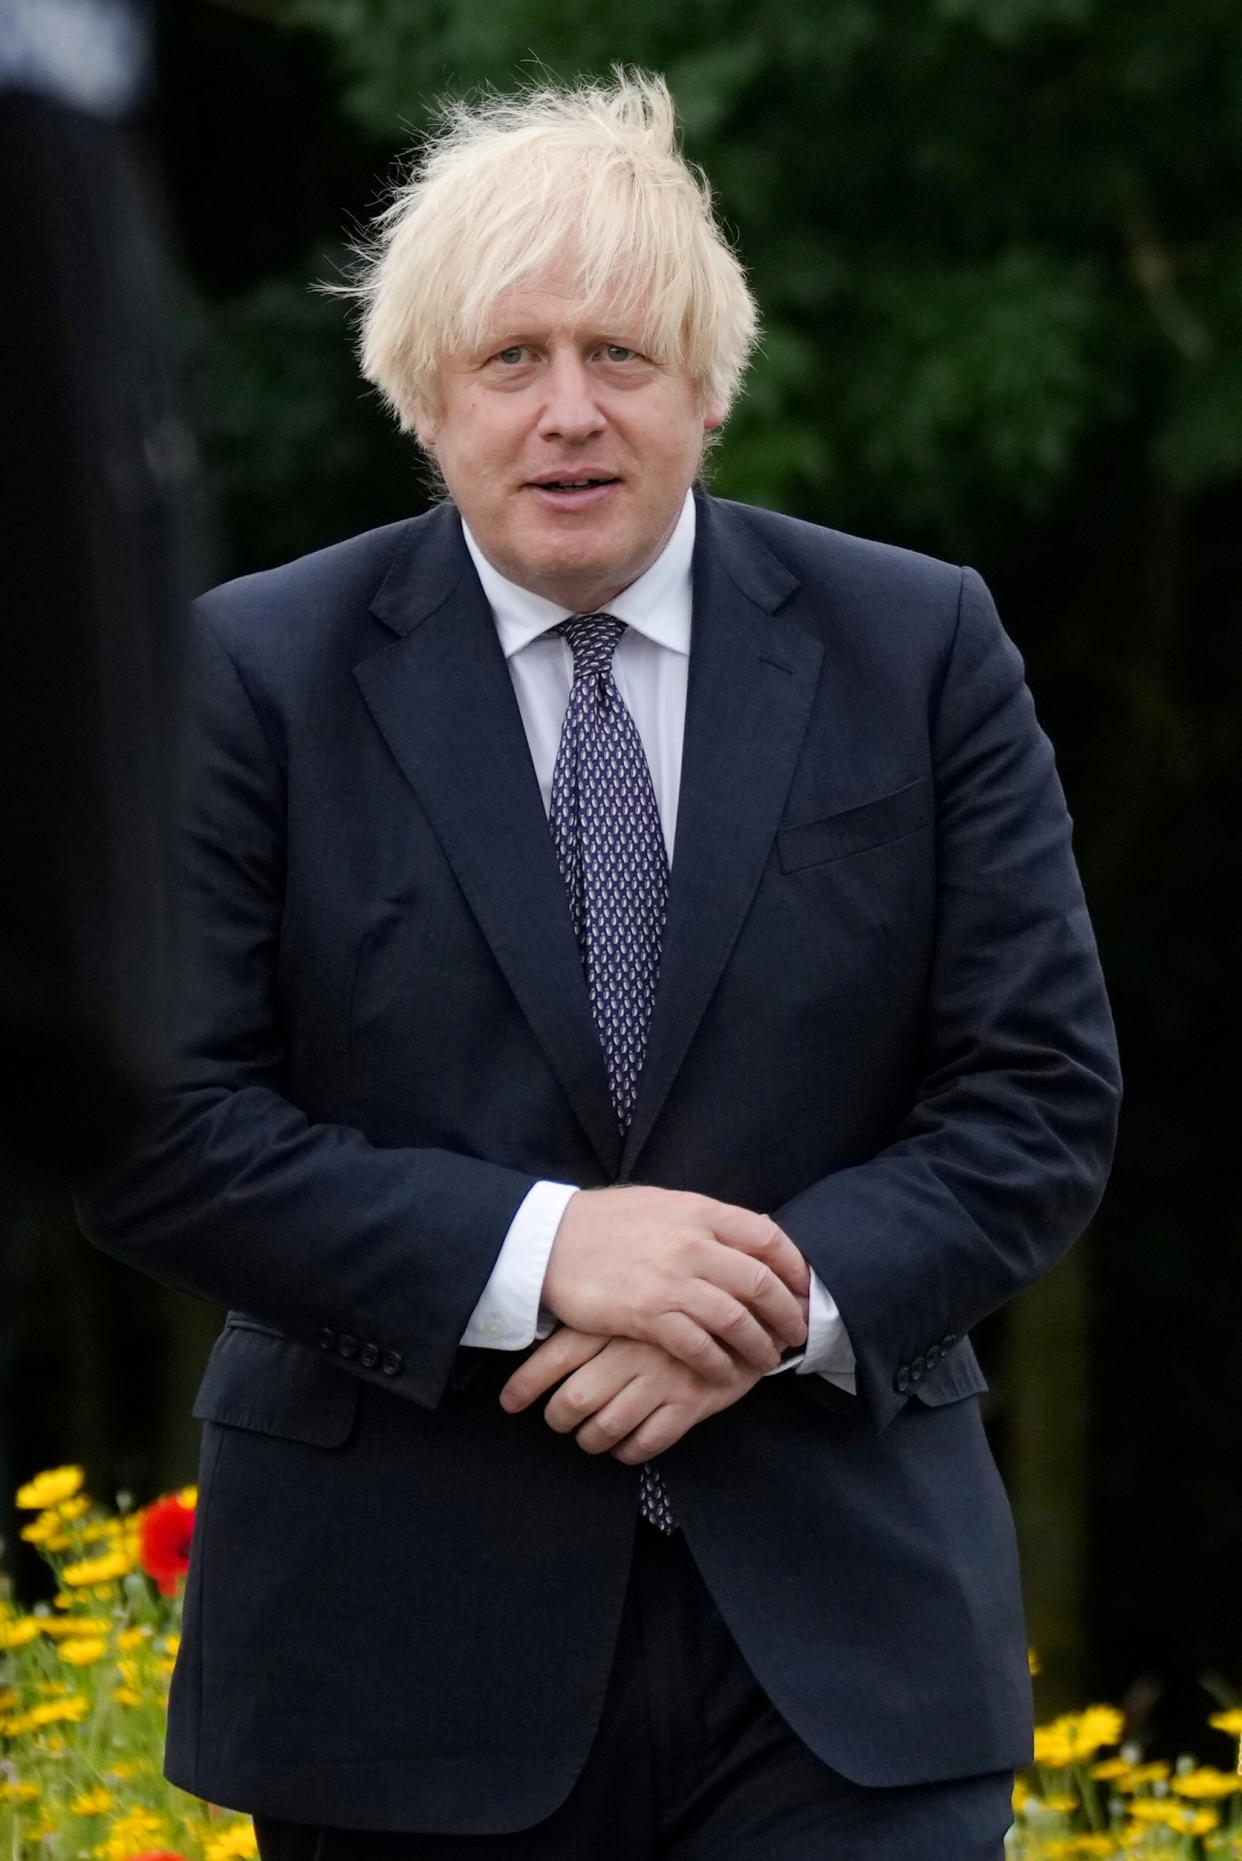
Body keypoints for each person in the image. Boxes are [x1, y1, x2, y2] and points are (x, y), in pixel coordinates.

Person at [81, 71, 1120, 1860]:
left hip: (845, 1645)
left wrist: (761, 1306)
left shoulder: (918, 643)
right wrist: (549, 1251)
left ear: (708, 387)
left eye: (622, 358)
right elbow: (152, 1123)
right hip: (398, 1653)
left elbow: (1037, 1095)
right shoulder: (249, 675)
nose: (569, 414)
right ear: (421, 397)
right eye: (509, 361)